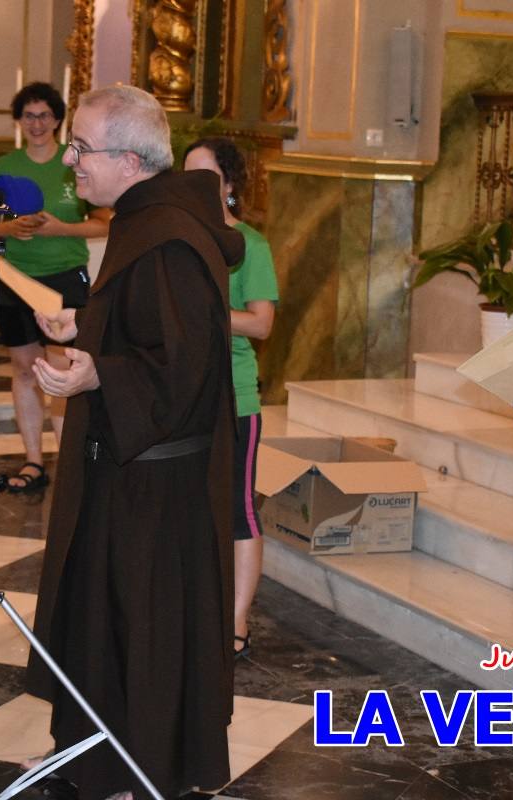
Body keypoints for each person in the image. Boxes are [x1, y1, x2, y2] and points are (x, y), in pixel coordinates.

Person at [26, 85, 245, 800]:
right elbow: (149, 331)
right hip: (129, 477)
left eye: (81, 148)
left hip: (153, 493)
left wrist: (98, 375)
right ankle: (104, 763)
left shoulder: (168, 238)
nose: (70, 161)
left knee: (140, 637)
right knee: (112, 632)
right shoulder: (143, 220)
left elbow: (182, 373)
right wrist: (86, 332)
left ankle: (135, 775)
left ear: (127, 157)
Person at [0, 81, 111, 492]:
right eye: (28, 115)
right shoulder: (4, 166)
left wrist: (60, 229)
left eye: (44, 115)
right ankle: (33, 461)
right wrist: (8, 227)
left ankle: (68, 460)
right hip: (14, 277)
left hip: (62, 277)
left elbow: (105, 221)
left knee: (59, 370)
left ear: (58, 120)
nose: (37, 123)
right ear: (19, 121)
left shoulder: (74, 163)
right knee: (24, 370)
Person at [183, 137, 278, 660]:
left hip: (232, 397)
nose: (195, 188)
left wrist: (203, 312)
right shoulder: (175, 239)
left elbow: (261, 323)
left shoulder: (251, 245)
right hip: (182, 396)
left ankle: (236, 621)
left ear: (231, 185)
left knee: (236, 510)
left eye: (207, 177)